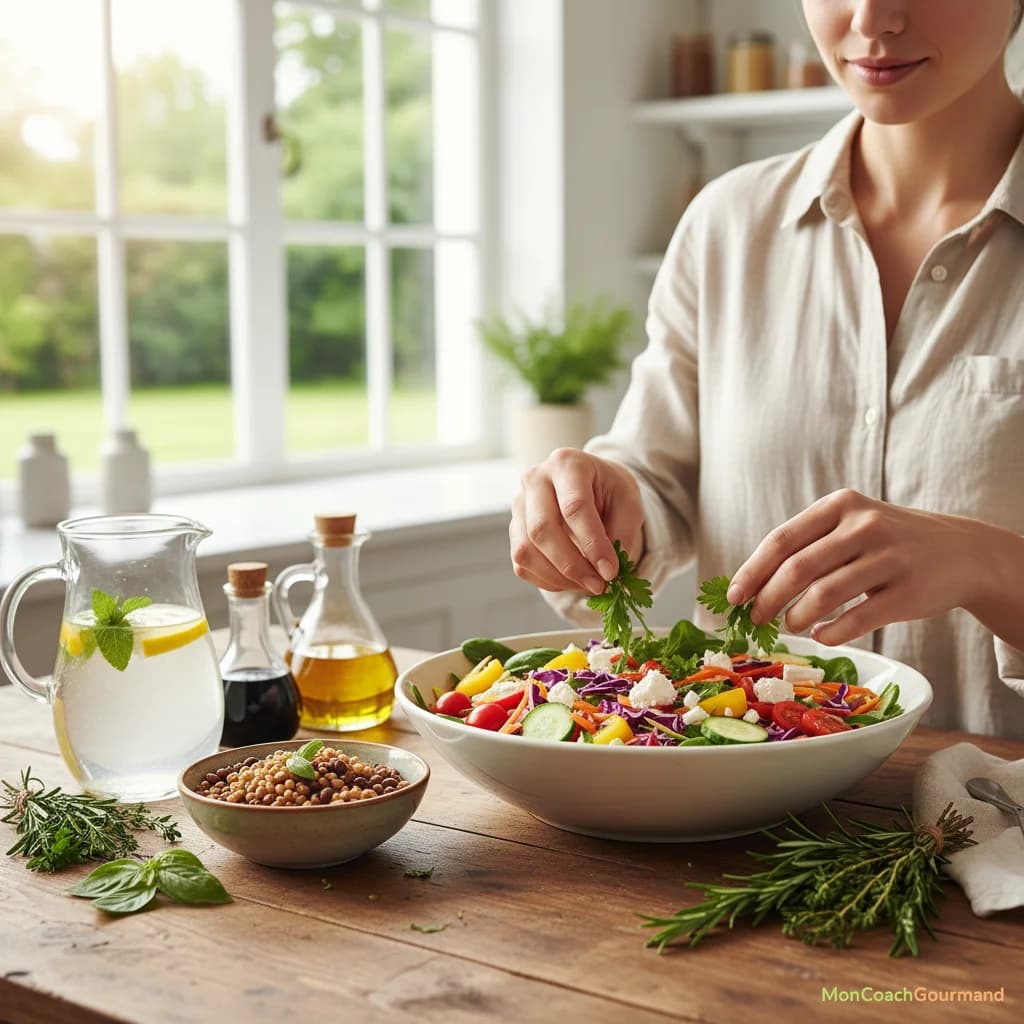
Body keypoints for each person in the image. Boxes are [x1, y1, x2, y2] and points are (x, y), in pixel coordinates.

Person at [508, 0, 1024, 739]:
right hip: (743, 829)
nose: (872, 18)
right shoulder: (726, 224)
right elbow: (655, 483)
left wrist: (992, 566)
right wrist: (596, 504)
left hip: (1001, 831)